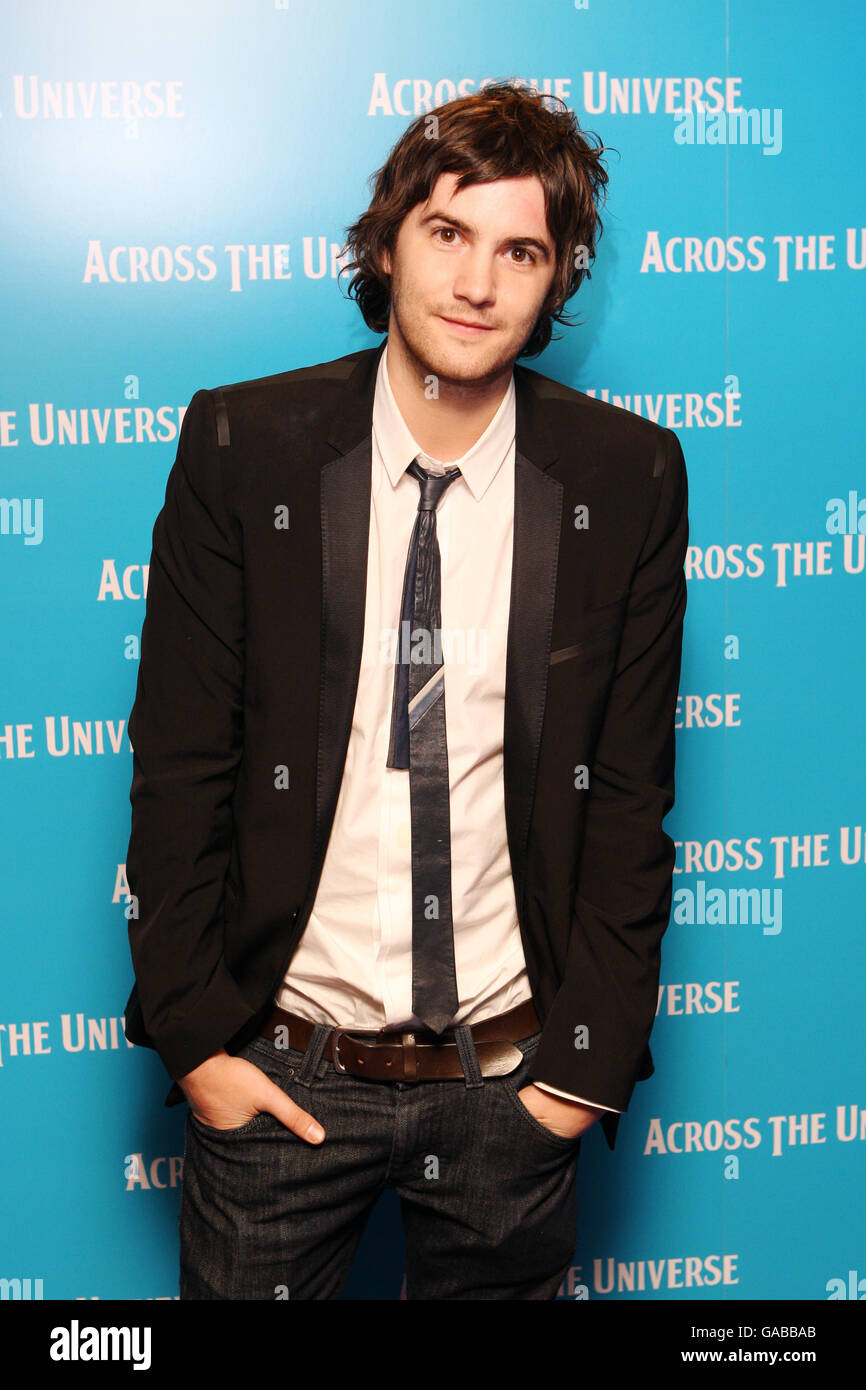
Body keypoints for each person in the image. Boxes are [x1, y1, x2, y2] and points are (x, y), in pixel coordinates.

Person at [122, 80, 689, 1300]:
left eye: (520, 250)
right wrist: (200, 1046)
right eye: (446, 232)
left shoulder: (626, 477)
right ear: (388, 242)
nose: (477, 282)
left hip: (509, 1088)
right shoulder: (244, 446)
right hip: (278, 1077)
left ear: (555, 282)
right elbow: (178, 770)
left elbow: (628, 800)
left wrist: (573, 1078)